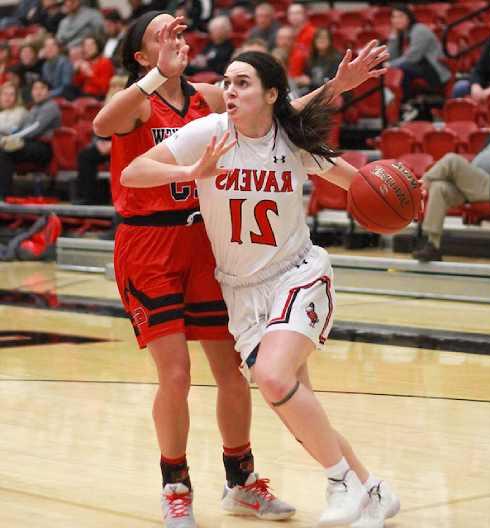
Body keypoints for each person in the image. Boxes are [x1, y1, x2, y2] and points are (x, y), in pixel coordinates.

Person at [93, 10, 389, 528]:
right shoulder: (146, 101)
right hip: (153, 243)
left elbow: (273, 112)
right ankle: (178, 486)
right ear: (141, 54)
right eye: (161, 33)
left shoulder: (211, 98)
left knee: (247, 378)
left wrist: (336, 86)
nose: (176, 37)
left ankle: (250, 480)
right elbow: (104, 130)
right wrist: (161, 87)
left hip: (221, 250)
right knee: (190, 377)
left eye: (179, 28)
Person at [413, 93, 490, 262]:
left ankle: (417, 187)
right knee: (439, 188)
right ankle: (433, 246)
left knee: (452, 160)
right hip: (475, 186)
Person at [0, 78, 60, 200]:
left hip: (44, 148)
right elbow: (22, 130)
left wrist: (12, 138)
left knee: (6, 153)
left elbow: (34, 129)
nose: (38, 92)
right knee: (4, 152)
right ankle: (5, 193)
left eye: (42, 88)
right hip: (31, 145)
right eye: (35, 89)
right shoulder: (34, 108)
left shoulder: (50, 106)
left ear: (48, 92)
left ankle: (5, 194)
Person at [387, 3, 451, 119]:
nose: (396, 20)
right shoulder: (403, 33)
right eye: (394, 17)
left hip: (435, 71)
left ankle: (407, 103)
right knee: (398, 69)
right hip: (419, 69)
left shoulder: (419, 30)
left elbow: (412, 58)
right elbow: (393, 58)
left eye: (400, 16)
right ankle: (402, 104)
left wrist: (388, 65)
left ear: (409, 17)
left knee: (401, 69)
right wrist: (394, 36)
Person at [295, 27, 342, 96]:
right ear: (314, 41)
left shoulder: (336, 59)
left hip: (331, 96)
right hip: (314, 94)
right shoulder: (310, 59)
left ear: (330, 41)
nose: (321, 40)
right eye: (319, 37)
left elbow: (332, 84)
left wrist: (310, 82)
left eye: (325, 38)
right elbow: (306, 78)